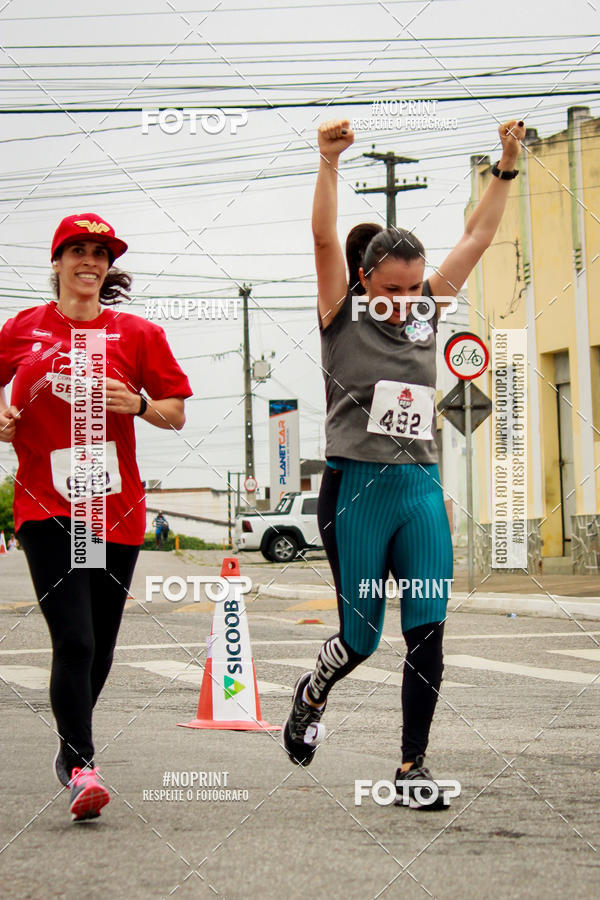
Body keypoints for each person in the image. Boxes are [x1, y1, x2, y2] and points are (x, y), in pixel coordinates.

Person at [283, 118, 525, 807]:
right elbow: (325, 238)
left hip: (419, 490)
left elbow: (477, 236)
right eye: (390, 290)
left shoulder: (424, 311)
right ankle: (314, 690)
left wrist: (506, 166)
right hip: (356, 490)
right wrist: (328, 161)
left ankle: (411, 769)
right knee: (360, 639)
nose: (404, 303)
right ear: (365, 281)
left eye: (415, 288)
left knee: (428, 635)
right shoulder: (341, 313)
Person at [0, 213, 192, 821]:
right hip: (45, 503)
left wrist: (137, 403)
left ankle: (69, 747)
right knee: (74, 638)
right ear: (56, 262)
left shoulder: (137, 334)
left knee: (101, 646)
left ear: (108, 267)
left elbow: (175, 414)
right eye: (77, 250)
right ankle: (84, 766)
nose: (89, 261)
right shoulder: (23, 330)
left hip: (114, 508)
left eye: (100, 253)